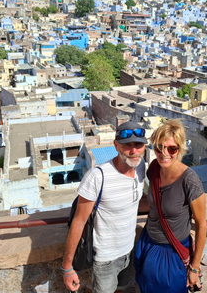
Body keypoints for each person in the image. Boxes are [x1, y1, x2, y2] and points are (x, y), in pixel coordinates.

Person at [62, 121, 147, 293]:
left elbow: (138, 201)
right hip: (105, 259)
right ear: (116, 145)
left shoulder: (140, 167)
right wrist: (67, 267)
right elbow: (79, 221)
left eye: (138, 145)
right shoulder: (97, 176)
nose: (133, 151)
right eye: (127, 145)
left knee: (122, 289)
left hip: (129, 250)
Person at [134, 119, 207, 293]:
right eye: (159, 147)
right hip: (147, 243)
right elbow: (152, 203)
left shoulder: (190, 180)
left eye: (171, 148)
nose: (164, 153)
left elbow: (202, 224)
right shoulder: (153, 169)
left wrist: (195, 267)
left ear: (179, 149)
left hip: (171, 253)